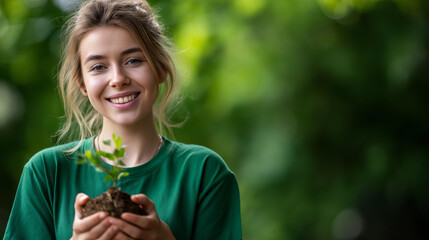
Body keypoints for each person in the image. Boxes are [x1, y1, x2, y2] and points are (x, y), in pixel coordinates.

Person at [3, 0, 242, 239]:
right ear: (82, 83)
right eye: (98, 67)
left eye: (133, 60)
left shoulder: (204, 173)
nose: (118, 79)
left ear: (159, 68)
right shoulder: (46, 173)